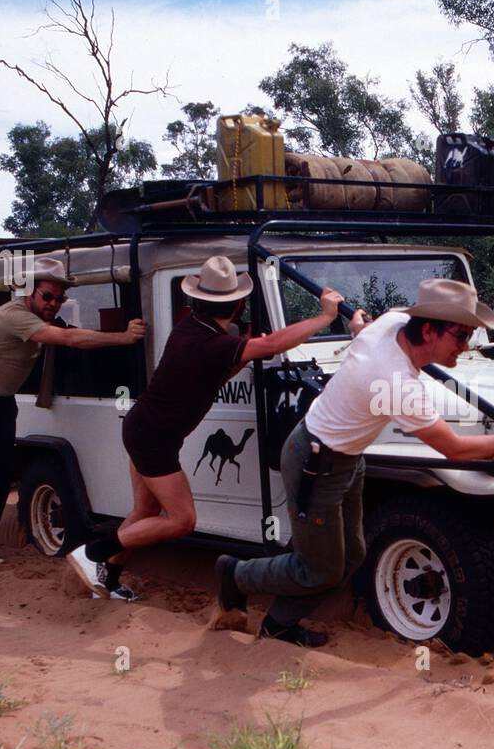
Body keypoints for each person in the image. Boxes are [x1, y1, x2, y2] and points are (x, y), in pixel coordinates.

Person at [216, 278, 494, 648]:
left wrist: (359, 328)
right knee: (320, 569)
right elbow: (456, 450)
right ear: (428, 330)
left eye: (470, 337)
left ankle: (279, 624)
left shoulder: (392, 322)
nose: (466, 346)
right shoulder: (396, 384)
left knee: (353, 556)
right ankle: (237, 574)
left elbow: (366, 328)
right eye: (460, 337)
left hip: (345, 454)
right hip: (317, 462)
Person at [67, 255, 349, 601]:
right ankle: (93, 552)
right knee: (181, 520)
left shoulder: (192, 330)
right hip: (154, 438)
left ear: (196, 300)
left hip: (147, 429)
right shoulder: (211, 342)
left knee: (145, 511)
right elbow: (272, 345)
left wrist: (240, 350)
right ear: (238, 303)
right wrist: (325, 317)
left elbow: (213, 372)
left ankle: (105, 579)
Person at [0, 258, 146, 564]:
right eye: (47, 296)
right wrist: (123, 337)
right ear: (28, 292)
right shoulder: (13, 315)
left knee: (0, 479)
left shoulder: (42, 319)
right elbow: (69, 338)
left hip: (0, 401)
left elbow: (71, 333)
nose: (54, 304)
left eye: (59, 298)